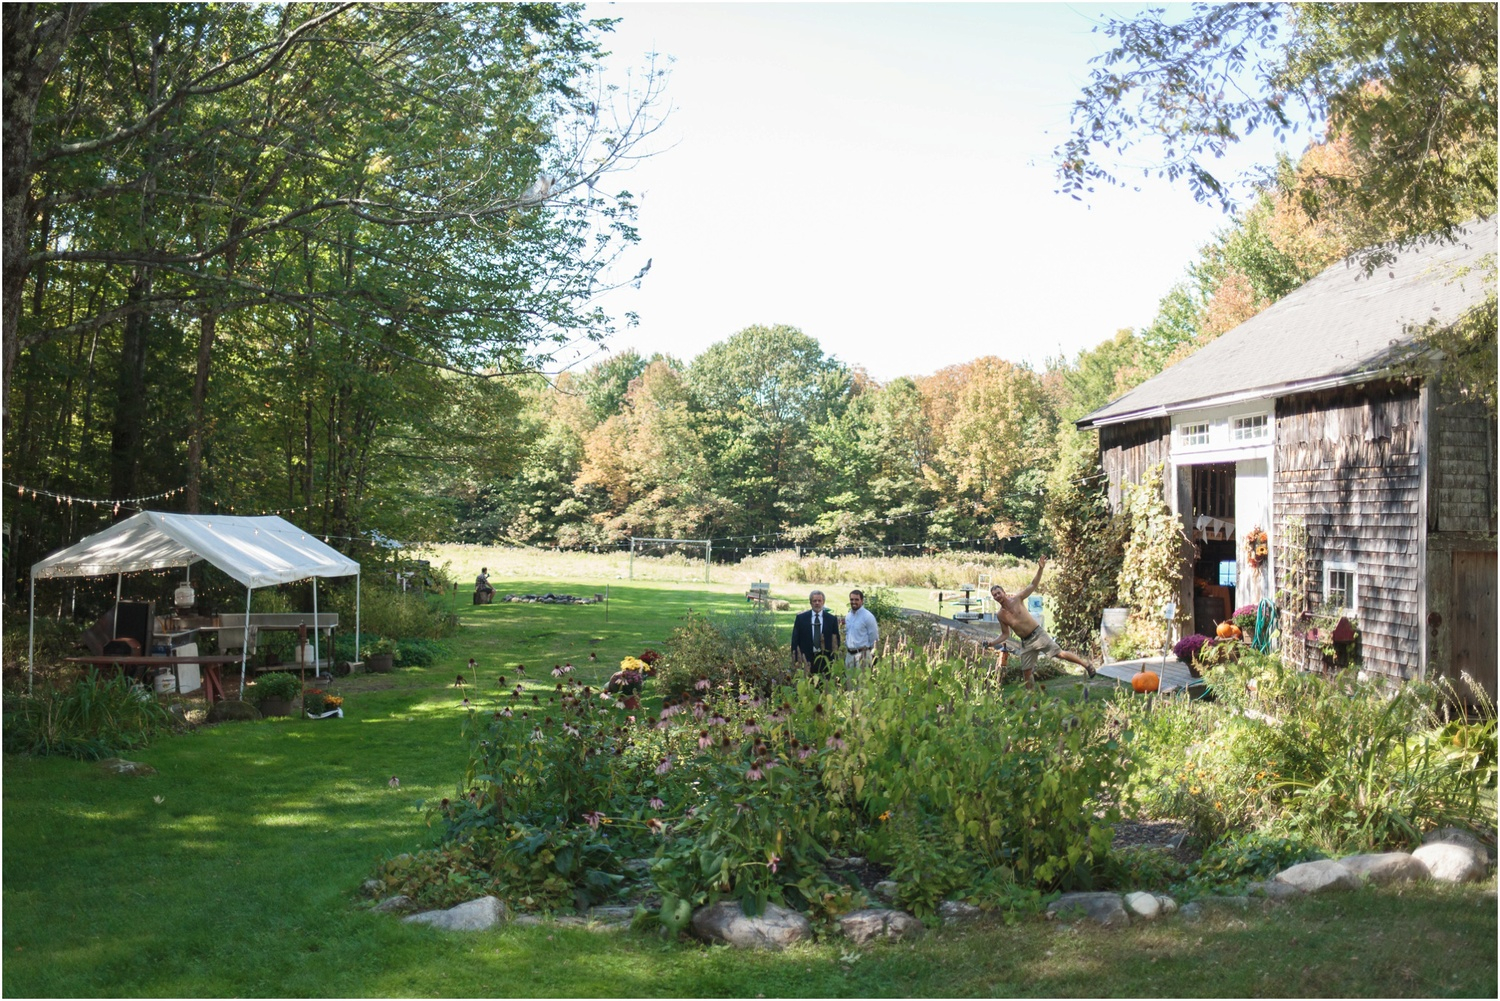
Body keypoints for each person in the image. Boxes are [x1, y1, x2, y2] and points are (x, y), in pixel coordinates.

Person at [987, 555, 1097, 689]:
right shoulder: (1000, 615)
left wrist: (1040, 568)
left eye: (998, 593)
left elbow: (1033, 584)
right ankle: (1032, 704)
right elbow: (1005, 634)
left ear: (1003, 592)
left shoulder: (1017, 599)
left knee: (1059, 654)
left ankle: (1086, 665)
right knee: (1026, 672)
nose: (997, 596)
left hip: (1038, 635)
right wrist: (992, 643)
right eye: (994, 595)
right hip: (1026, 643)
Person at [791, 590, 840, 673]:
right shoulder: (801, 618)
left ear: (823, 602)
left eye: (819, 601)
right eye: (814, 601)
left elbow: (836, 640)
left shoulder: (831, 619)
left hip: (825, 661)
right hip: (806, 659)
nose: (817, 603)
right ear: (810, 602)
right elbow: (795, 640)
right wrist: (796, 659)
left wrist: (833, 658)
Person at [843, 589, 878, 670]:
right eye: (851, 599)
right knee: (849, 682)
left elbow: (874, 638)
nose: (853, 602)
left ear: (862, 601)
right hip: (849, 656)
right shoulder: (848, 616)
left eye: (856, 599)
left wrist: (873, 656)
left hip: (863, 656)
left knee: (862, 682)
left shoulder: (868, 617)